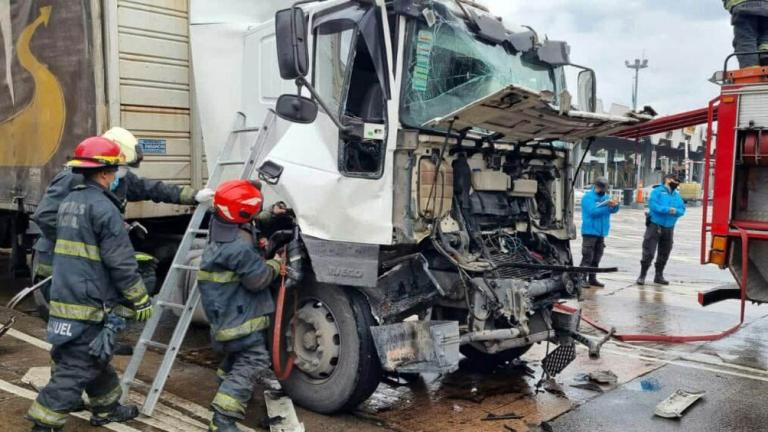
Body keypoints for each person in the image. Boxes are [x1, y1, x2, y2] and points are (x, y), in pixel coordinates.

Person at [26, 137, 153, 431]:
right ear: (106, 172)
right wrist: (139, 299)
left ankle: (106, 408)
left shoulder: (70, 202)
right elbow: (121, 262)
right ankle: (43, 424)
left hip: (66, 293)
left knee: (93, 355)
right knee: (77, 366)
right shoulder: (105, 209)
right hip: (88, 300)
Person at [31, 127, 214, 311]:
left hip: (88, 267)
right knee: (66, 316)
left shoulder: (118, 181)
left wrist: (193, 196)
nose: (124, 171)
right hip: (57, 261)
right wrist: (91, 241)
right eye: (122, 166)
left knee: (93, 315)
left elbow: (151, 188)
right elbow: (46, 216)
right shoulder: (73, 179)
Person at [198, 180, 283, 432]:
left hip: (224, 315)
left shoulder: (222, 225)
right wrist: (276, 265)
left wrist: (271, 215)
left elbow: (248, 219)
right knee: (254, 360)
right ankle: (222, 418)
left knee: (236, 357)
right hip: (239, 318)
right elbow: (258, 280)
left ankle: (228, 385)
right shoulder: (238, 247)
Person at [637, 174, 686, 286]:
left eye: (678, 182)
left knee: (665, 251)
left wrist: (676, 211)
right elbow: (653, 206)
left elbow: (682, 209)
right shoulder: (657, 192)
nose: (677, 183)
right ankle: (642, 275)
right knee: (649, 251)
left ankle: (659, 275)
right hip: (655, 225)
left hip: (669, 227)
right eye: (674, 181)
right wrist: (667, 210)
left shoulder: (676, 195)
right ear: (667, 180)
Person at [580, 177, 619, 287]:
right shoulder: (588, 197)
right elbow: (593, 212)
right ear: (597, 186)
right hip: (590, 231)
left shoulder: (606, 197)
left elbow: (613, 211)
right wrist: (607, 207)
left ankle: (592, 278)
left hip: (601, 232)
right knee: (587, 257)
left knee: (597, 257)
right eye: (602, 188)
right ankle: (581, 278)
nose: (603, 191)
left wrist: (615, 205)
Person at [724, 0, 768, 68]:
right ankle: (765, 53)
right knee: (765, 35)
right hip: (766, 6)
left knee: (746, 39)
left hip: (742, 6)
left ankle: (751, 67)